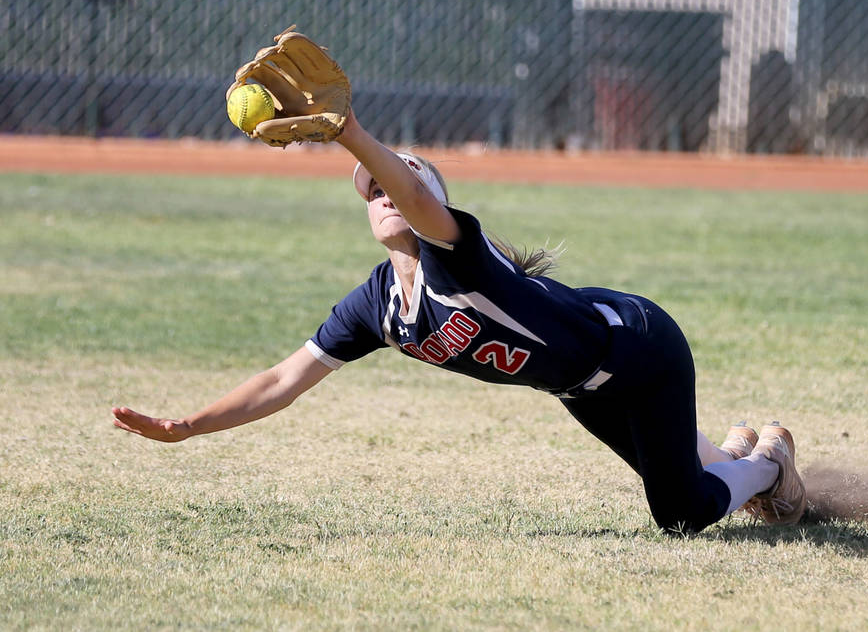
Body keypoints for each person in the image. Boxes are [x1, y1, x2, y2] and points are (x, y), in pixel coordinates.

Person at [112, 70, 806, 536]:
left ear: (436, 203)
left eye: (400, 184)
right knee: (681, 478)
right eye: (372, 191)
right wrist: (188, 427)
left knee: (678, 515)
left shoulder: (456, 254)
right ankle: (733, 456)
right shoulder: (378, 306)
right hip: (579, 384)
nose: (385, 195)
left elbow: (415, 198)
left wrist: (351, 131)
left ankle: (768, 463)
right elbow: (281, 381)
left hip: (641, 351)